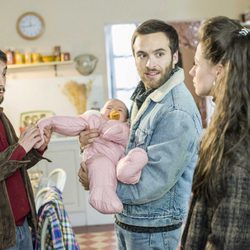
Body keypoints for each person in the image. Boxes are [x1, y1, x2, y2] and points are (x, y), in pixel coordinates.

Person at [79, 19, 202, 249]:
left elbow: (152, 182)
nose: (150, 63)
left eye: (159, 54)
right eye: (142, 55)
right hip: (133, 222)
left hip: (154, 230)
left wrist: (100, 182)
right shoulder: (145, 96)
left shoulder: (176, 111)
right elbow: (125, 150)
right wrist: (91, 143)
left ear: (174, 57)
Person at [181, 16, 250, 249]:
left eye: (198, 64)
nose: (191, 71)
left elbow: (231, 238)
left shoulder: (236, 142)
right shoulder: (225, 126)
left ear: (219, 71)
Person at [37, 98, 148, 214]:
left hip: (120, 161)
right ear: (101, 112)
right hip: (99, 159)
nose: (113, 110)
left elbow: (126, 138)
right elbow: (73, 123)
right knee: (100, 165)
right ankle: (103, 198)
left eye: (120, 110)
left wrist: (115, 128)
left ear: (126, 119)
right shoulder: (94, 119)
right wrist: (51, 122)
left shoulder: (126, 128)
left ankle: (129, 170)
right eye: (109, 108)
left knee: (129, 161)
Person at [0, 49, 52, 250]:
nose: (2, 82)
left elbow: (14, 165)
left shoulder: (3, 118)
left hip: (21, 227)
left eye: (4, 73)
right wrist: (21, 147)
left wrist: (37, 149)